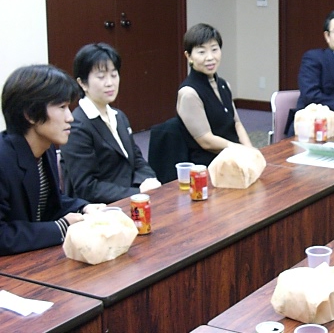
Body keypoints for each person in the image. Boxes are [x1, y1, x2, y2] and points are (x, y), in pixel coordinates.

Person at [0, 65, 105, 255]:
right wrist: (60, 227)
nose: (70, 117)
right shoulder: (3, 158)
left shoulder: (45, 148)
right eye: (62, 107)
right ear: (30, 114)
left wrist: (83, 208)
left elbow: (49, 203)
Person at [60, 43, 160, 204]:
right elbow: (87, 187)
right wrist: (137, 193)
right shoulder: (76, 126)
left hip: (132, 197)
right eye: (101, 77)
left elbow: (137, 160)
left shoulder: (118, 116)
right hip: (101, 207)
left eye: (114, 75)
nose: (110, 83)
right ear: (82, 83)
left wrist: (148, 181)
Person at [177, 23, 253, 165]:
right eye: (201, 52)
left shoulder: (224, 84)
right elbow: (206, 140)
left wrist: (250, 150)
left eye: (214, 49)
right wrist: (241, 150)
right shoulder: (189, 93)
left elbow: (236, 123)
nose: (210, 57)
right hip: (209, 165)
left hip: (234, 157)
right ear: (188, 56)